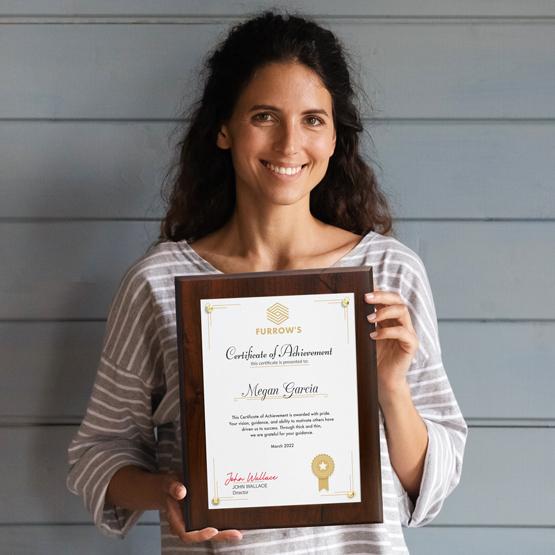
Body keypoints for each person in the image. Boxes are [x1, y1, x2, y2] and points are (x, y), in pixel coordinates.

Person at [66, 10, 467, 554]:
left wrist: (392, 388)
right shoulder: (159, 283)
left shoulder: (388, 273)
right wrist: (164, 492)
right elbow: (97, 455)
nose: (289, 144)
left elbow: (433, 484)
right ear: (224, 129)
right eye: (264, 116)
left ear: (335, 136)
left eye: (312, 119)